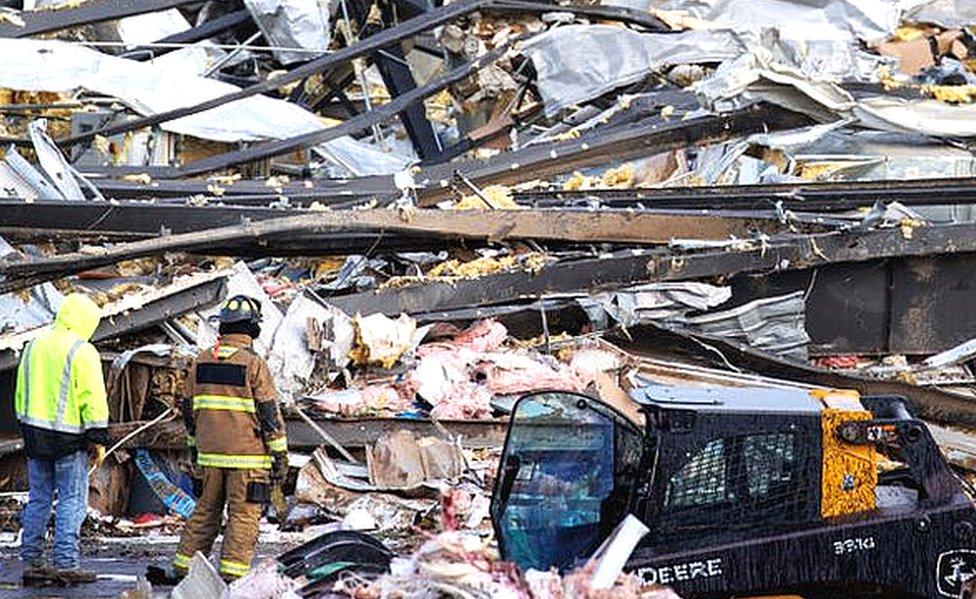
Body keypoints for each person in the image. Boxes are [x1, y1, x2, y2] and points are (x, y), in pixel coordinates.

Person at [172, 295, 288, 581]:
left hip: (209, 457)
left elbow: (188, 410)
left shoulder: (200, 362)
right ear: (253, 329)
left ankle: (184, 569)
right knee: (244, 516)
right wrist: (280, 455)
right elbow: (269, 413)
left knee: (204, 513)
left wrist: (194, 448)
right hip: (248, 459)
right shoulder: (253, 365)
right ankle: (232, 576)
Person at [15, 293, 109, 585]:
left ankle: (32, 562)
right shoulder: (83, 351)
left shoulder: (33, 345)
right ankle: (66, 563)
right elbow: (92, 397)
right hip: (69, 438)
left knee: (39, 499)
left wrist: (26, 424)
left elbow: (21, 391)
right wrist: (97, 437)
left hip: (34, 433)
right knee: (71, 500)